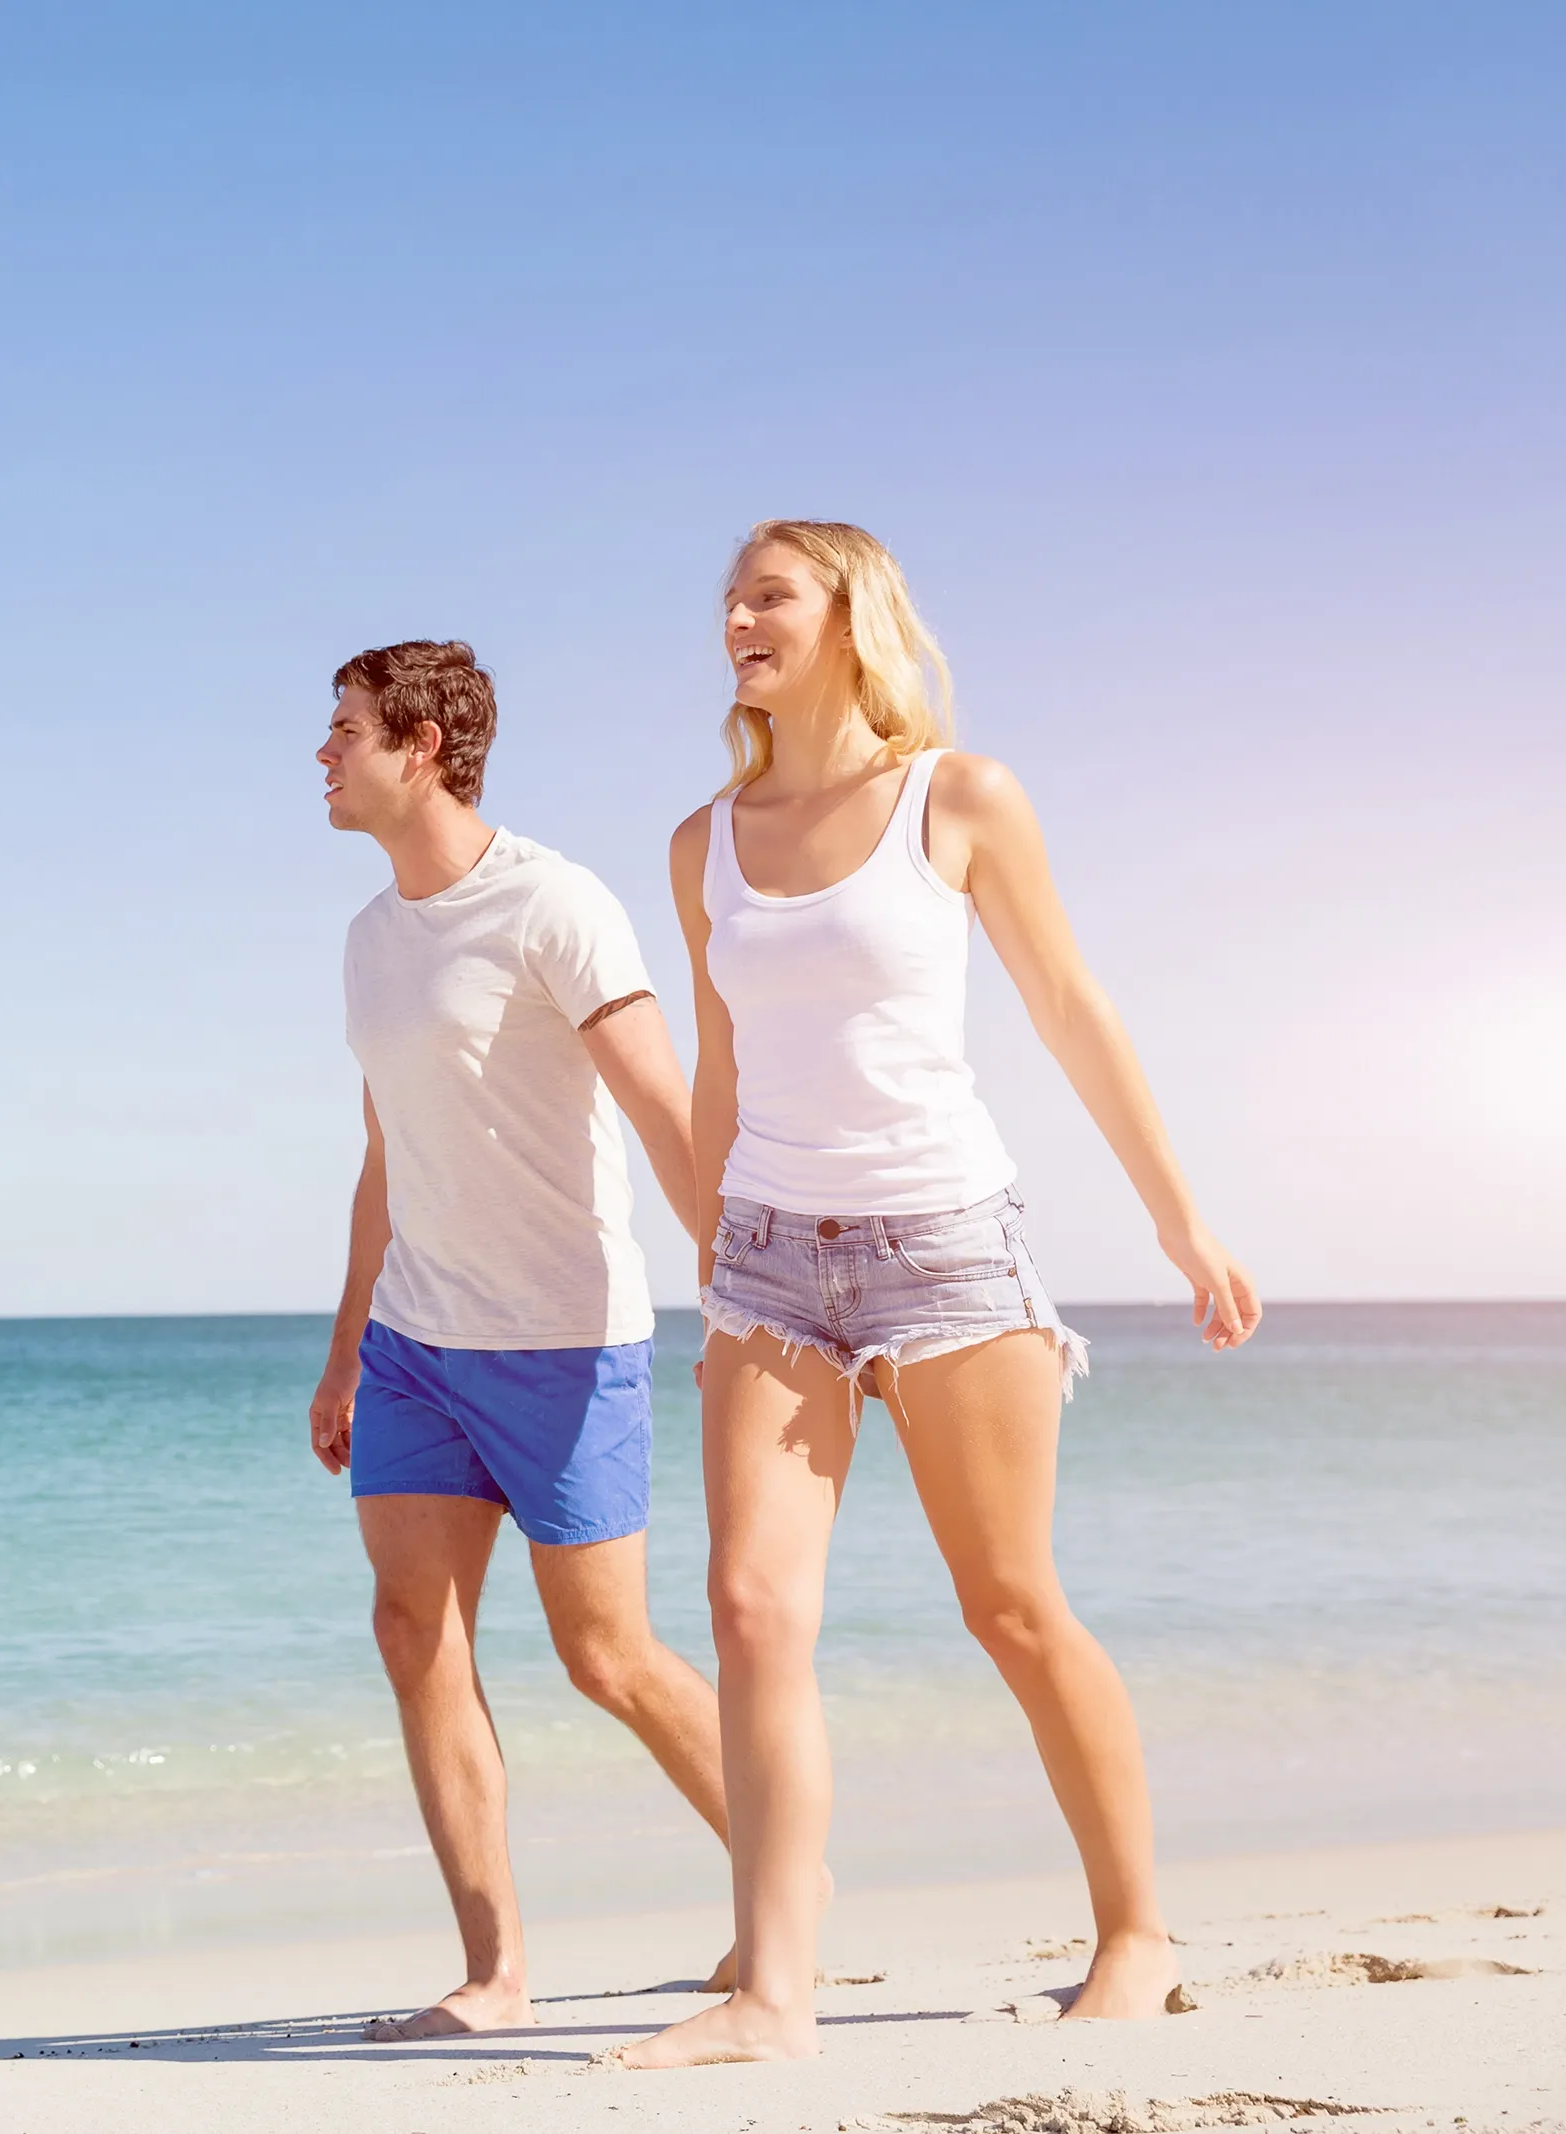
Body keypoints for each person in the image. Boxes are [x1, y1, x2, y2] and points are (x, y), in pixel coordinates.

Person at [618, 523, 1260, 2070]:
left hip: (947, 1249)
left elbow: (1068, 1007)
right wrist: (713, 1252)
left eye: (768, 592)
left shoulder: (956, 797)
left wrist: (1184, 1225)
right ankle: (774, 1991)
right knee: (753, 1610)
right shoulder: (702, 840)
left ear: (852, 615)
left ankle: (1135, 1936)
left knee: (1011, 1607)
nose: (734, 616)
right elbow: (720, 1072)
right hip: (769, 1258)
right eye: (729, 597)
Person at [309, 639, 734, 2041]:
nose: (323, 755)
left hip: (565, 1337)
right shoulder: (371, 939)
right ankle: (493, 1971)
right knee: (410, 1627)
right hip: (417, 1345)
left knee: (606, 1654)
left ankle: (786, 1878)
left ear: (421, 744)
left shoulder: (557, 904)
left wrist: (739, 1286)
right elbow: (384, 1157)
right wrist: (345, 1347)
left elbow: (664, 1109)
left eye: (346, 730)